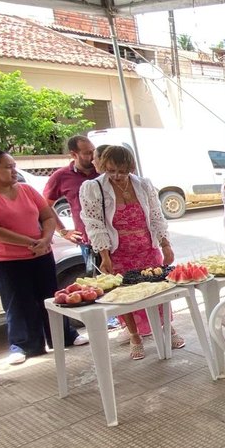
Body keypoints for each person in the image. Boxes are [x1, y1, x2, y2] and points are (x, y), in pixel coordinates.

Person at [0, 149, 83, 365]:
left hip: (40, 253)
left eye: (13, 166)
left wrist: (46, 238)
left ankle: (65, 336)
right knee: (18, 301)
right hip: (4, 259)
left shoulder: (27, 190)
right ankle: (24, 345)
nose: (13, 171)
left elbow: (47, 216)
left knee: (50, 296)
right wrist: (30, 242)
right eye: (7, 167)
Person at [80, 145, 181, 360]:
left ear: (131, 167)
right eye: (111, 170)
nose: (117, 176)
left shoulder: (143, 185)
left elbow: (156, 217)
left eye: (122, 171)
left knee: (158, 289)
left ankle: (168, 329)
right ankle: (135, 336)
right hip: (119, 251)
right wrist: (105, 256)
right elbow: (94, 224)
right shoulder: (93, 188)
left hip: (147, 247)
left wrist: (165, 245)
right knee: (125, 295)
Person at [43, 135, 98, 275]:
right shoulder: (61, 176)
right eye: (87, 153)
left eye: (93, 151)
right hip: (89, 241)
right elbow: (44, 206)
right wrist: (63, 231)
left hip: (117, 236)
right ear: (74, 154)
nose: (92, 156)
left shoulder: (102, 170)